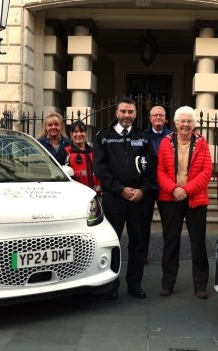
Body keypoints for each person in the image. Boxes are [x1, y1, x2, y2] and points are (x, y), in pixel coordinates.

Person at [93, 97, 157, 300]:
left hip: (139, 200)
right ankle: (111, 284)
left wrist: (143, 190)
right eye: (123, 111)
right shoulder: (103, 137)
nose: (127, 115)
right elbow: (100, 169)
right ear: (117, 113)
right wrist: (121, 190)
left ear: (136, 114)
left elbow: (152, 167)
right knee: (113, 242)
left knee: (138, 243)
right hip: (114, 199)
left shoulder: (143, 138)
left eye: (130, 112)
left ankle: (134, 285)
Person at [156, 106, 213, 299]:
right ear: (175, 123)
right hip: (170, 198)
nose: (186, 125)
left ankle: (200, 285)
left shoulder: (202, 143)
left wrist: (186, 190)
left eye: (189, 121)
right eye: (182, 121)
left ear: (194, 124)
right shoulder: (165, 143)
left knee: (198, 243)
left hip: (195, 199)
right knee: (171, 242)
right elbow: (160, 171)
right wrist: (174, 189)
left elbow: (207, 171)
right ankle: (167, 283)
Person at [142, 105, 172, 264]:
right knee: (143, 224)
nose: (158, 118)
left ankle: (168, 257)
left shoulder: (172, 136)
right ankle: (143, 255)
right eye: (155, 115)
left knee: (168, 224)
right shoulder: (142, 136)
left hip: (165, 187)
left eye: (161, 115)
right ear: (150, 118)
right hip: (147, 187)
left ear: (166, 118)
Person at [64, 120, 101, 194]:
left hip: (95, 196)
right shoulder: (65, 152)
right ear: (71, 134)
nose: (79, 134)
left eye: (82, 131)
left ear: (86, 133)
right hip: (76, 196)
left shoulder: (94, 152)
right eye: (76, 131)